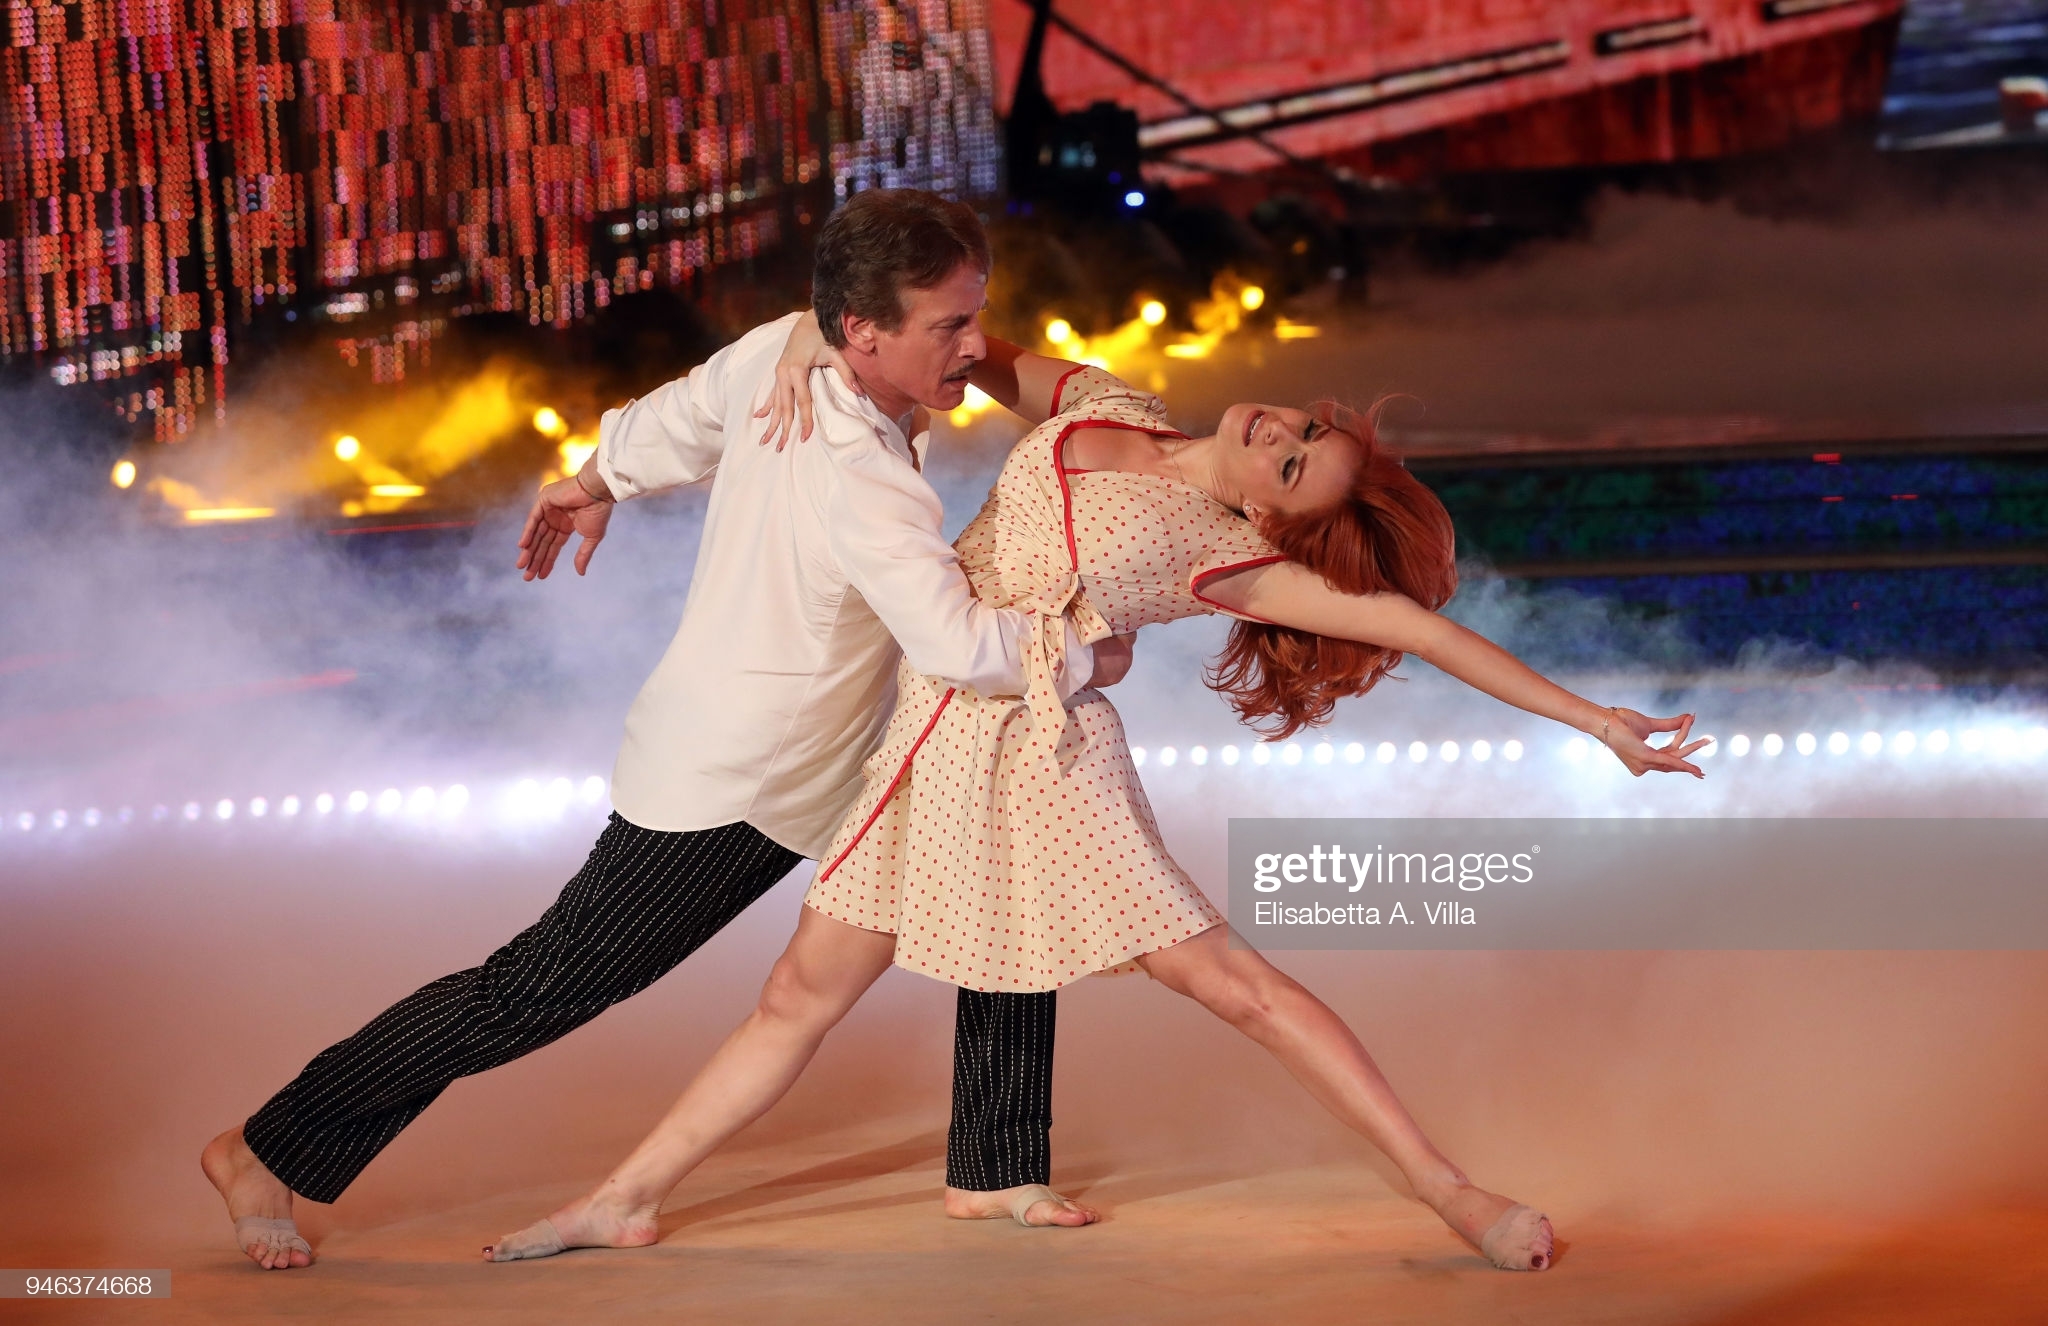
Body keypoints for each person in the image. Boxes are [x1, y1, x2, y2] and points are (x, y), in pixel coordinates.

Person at [479, 320, 1709, 1272]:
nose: (1274, 434)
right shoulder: (1107, 401)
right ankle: (624, 1199)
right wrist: (808, 335)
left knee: (1237, 988)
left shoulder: (1224, 557)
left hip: (1046, 759)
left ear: (1268, 511)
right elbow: (949, 341)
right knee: (797, 996)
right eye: (1298, 427)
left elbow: (1416, 629)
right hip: (927, 737)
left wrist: (1599, 723)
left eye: (1290, 464)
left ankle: (1451, 1194)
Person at [200, 190, 1131, 1271]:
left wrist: (592, 479)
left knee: (999, 856)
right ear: (862, 331)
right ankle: (263, 1147)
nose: (976, 347)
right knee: (537, 989)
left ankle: (997, 1162)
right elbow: (959, 644)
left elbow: (678, 414)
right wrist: (1085, 651)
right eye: (951, 325)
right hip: (737, 777)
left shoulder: (785, 352)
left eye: (979, 316)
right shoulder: (860, 470)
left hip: (835, 754)